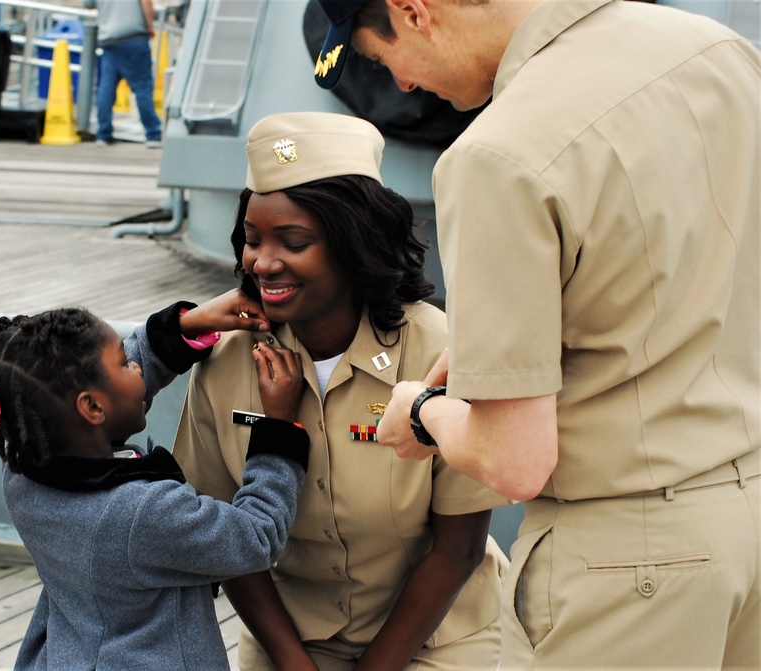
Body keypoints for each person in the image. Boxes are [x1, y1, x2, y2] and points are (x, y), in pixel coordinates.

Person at [311, 0, 760, 668]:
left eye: (383, 59)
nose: (401, 85)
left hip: (627, 563)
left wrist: (423, 412)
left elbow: (513, 460)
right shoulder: (721, 54)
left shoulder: (498, 154)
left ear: (413, 11)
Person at [173, 111, 511, 671]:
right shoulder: (225, 360)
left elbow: (458, 549)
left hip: (435, 635)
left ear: (355, 244)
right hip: (290, 641)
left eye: (294, 241)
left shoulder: (437, 350)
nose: (263, 261)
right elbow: (222, 538)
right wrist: (291, 660)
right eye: (252, 240)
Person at [0, 291, 310, 670]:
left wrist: (183, 328)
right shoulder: (142, 514)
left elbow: (98, 389)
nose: (136, 367)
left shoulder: (24, 466)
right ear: (92, 408)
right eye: (124, 363)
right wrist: (279, 428)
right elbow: (256, 536)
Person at [94, 0, 163, 148]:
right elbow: (146, 2)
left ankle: (103, 133)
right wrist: (150, 27)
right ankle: (153, 134)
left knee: (106, 88)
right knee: (142, 88)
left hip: (109, 40)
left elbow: (88, 4)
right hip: (134, 37)